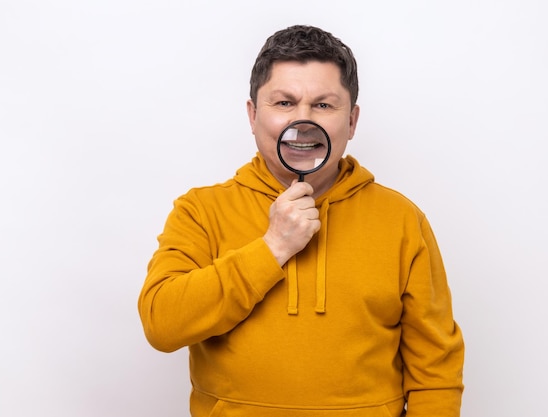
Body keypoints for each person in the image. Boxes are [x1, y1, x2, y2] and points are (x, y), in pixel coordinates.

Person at [138, 25, 464, 417]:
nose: (303, 121)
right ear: (253, 115)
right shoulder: (200, 210)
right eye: (284, 103)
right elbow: (162, 324)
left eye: (324, 105)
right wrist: (272, 246)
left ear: (353, 121)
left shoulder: (402, 220)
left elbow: (436, 371)